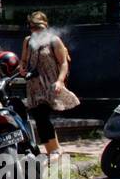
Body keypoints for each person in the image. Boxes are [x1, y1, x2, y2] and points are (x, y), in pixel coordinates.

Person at [17, 11, 79, 157]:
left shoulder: (54, 41)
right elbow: (24, 60)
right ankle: (51, 149)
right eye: (32, 27)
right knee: (39, 118)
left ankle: (55, 149)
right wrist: (22, 67)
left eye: (38, 27)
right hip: (34, 84)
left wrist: (60, 81)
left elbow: (63, 63)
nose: (35, 31)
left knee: (43, 115)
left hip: (50, 84)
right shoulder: (27, 41)